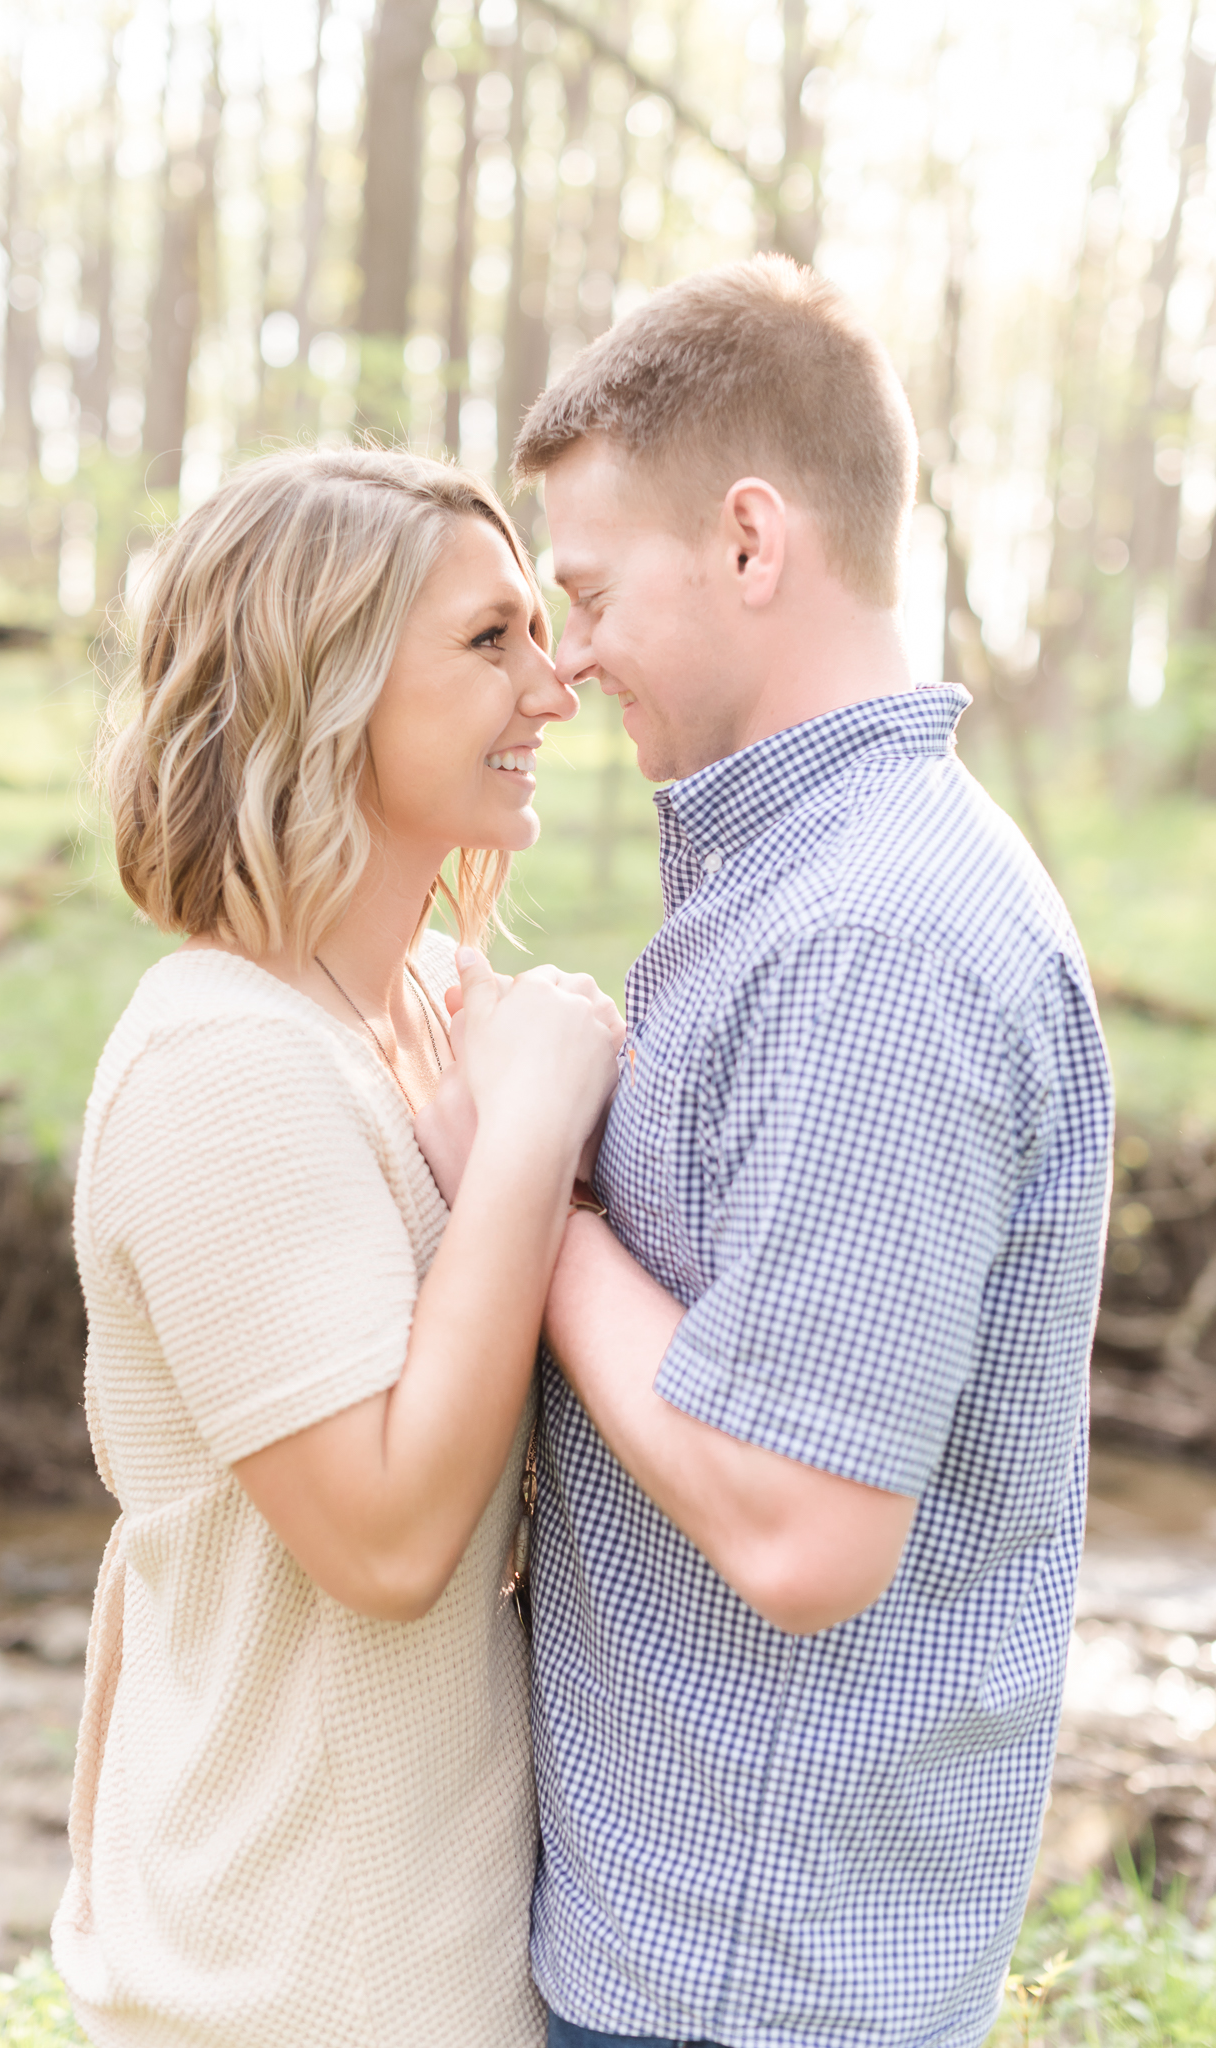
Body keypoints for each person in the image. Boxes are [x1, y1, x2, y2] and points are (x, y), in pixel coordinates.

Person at [426, 256, 1113, 2048]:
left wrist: (539, 1186)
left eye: (584, 593)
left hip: (748, 1980)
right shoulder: (796, 889)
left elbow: (809, 1534)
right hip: (706, 1941)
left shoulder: (875, 941)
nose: (562, 663)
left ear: (749, 541)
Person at [50, 446, 623, 2048]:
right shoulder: (222, 1068)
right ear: (328, 683)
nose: (555, 685)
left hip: (436, 1954)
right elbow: (380, 1544)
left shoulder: (431, 1009)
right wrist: (527, 1147)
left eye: (540, 629)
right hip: (292, 1983)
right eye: (489, 641)